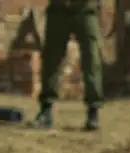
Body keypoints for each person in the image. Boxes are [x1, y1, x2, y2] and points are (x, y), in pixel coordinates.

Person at [34, 0, 105, 131]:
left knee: (92, 58)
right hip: (58, 8)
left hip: (85, 8)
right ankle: (46, 109)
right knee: (51, 59)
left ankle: (93, 112)